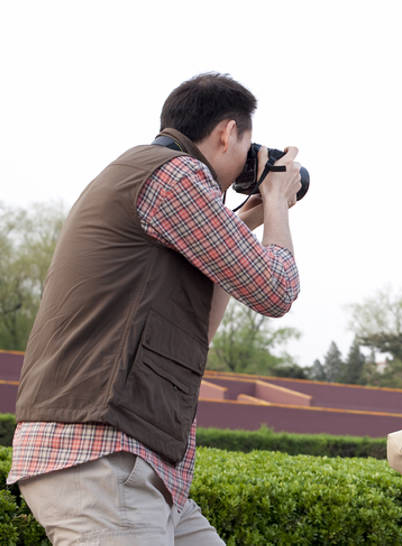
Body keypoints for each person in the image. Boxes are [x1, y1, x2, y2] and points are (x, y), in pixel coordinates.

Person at [8, 73, 302, 544]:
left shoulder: (145, 174)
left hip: (139, 466)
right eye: (247, 149)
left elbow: (199, 328)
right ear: (227, 133)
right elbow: (275, 290)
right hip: (101, 457)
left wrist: (242, 221)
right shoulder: (174, 174)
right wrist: (276, 202)